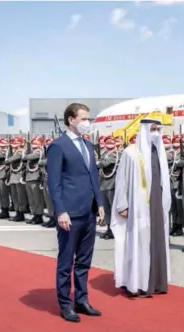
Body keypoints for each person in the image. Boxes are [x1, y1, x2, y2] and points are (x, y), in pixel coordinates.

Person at [47, 103, 105, 323]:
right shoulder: (58, 146)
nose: (87, 122)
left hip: (89, 211)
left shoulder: (88, 145)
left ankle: (81, 299)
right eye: (83, 118)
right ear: (71, 120)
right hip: (69, 214)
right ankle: (65, 304)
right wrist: (60, 211)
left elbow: (93, 177)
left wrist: (99, 203)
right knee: (66, 262)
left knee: (84, 261)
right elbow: (54, 183)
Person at [111, 118, 171, 298]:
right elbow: (121, 180)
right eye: (152, 129)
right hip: (138, 207)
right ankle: (137, 283)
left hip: (156, 206)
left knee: (156, 241)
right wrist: (122, 205)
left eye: (158, 129)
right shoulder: (131, 153)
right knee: (138, 243)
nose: (156, 133)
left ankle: (157, 282)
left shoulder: (159, 152)